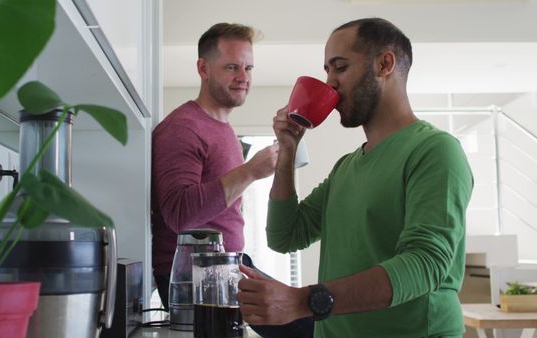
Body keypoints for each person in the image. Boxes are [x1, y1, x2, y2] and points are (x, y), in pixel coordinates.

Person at [237, 18, 474, 337]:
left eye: (341, 67)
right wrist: (287, 150)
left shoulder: (434, 151)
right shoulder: (346, 167)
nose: (330, 83)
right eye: (326, 71)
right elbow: (285, 236)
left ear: (385, 64)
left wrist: (305, 301)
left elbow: (425, 263)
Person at [151, 22, 278, 311]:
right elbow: (180, 215)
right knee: (307, 326)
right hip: (197, 276)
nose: (243, 77)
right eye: (232, 67)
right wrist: (250, 171)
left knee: (309, 319)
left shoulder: (223, 129)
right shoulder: (183, 128)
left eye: (249, 68)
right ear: (203, 68)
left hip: (225, 266)